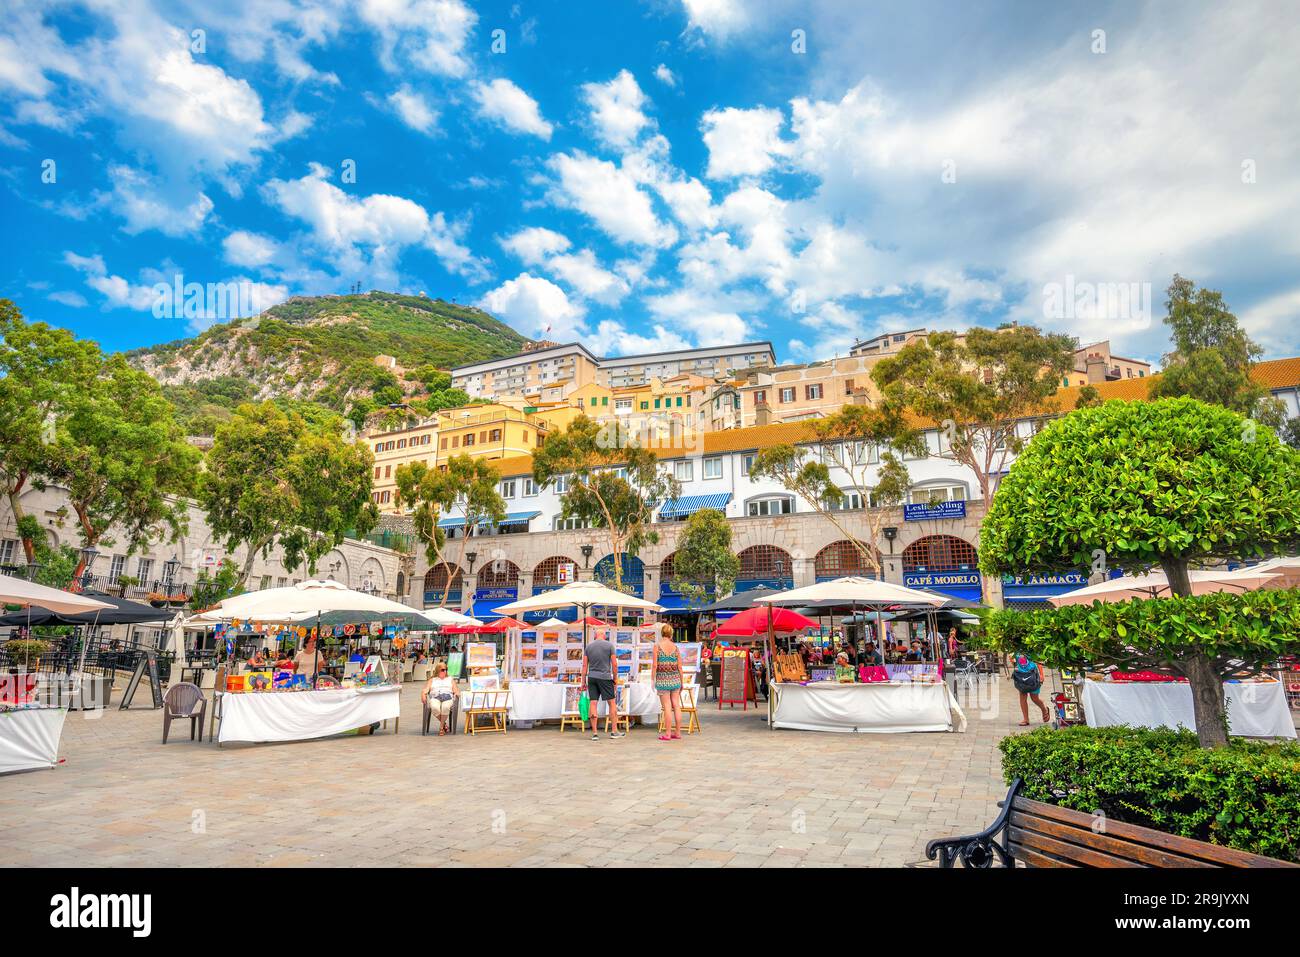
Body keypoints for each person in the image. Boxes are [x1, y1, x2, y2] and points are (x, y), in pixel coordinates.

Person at [581, 630, 621, 740]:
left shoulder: (588, 647)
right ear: (604, 636)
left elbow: (584, 666)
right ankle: (614, 731)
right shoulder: (609, 646)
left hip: (592, 677)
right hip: (605, 678)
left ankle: (594, 734)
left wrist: (583, 682)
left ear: (595, 636)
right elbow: (614, 665)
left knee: (593, 703)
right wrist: (615, 680)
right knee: (612, 703)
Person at [652, 623, 683, 741]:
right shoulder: (676, 647)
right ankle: (678, 732)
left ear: (662, 633)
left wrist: (652, 679)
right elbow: (680, 666)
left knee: (667, 706)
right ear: (671, 634)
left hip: (663, 679)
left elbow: (655, 665)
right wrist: (682, 681)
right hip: (675, 678)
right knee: (676, 705)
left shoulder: (657, 646)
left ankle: (668, 733)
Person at [1012, 651, 1050, 725]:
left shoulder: (1030, 647)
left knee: (1034, 698)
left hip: (1033, 675)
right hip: (1021, 675)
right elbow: (1014, 661)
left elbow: (1038, 661)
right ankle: (1026, 719)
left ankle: (1044, 709)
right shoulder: (1015, 648)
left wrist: (1041, 674)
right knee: (1022, 696)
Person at [421, 662, 458, 735]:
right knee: (434, 707)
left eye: (446, 670)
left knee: (446, 707)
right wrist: (423, 694)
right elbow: (426, 689)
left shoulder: (450, 679)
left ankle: (441, 728)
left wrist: (457, 693)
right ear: (438, 670)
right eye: (443, 670)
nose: (445, 671)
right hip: (435, 697)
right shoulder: (432, 680)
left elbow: (456, 690)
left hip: (447, 697)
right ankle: (444, 724)